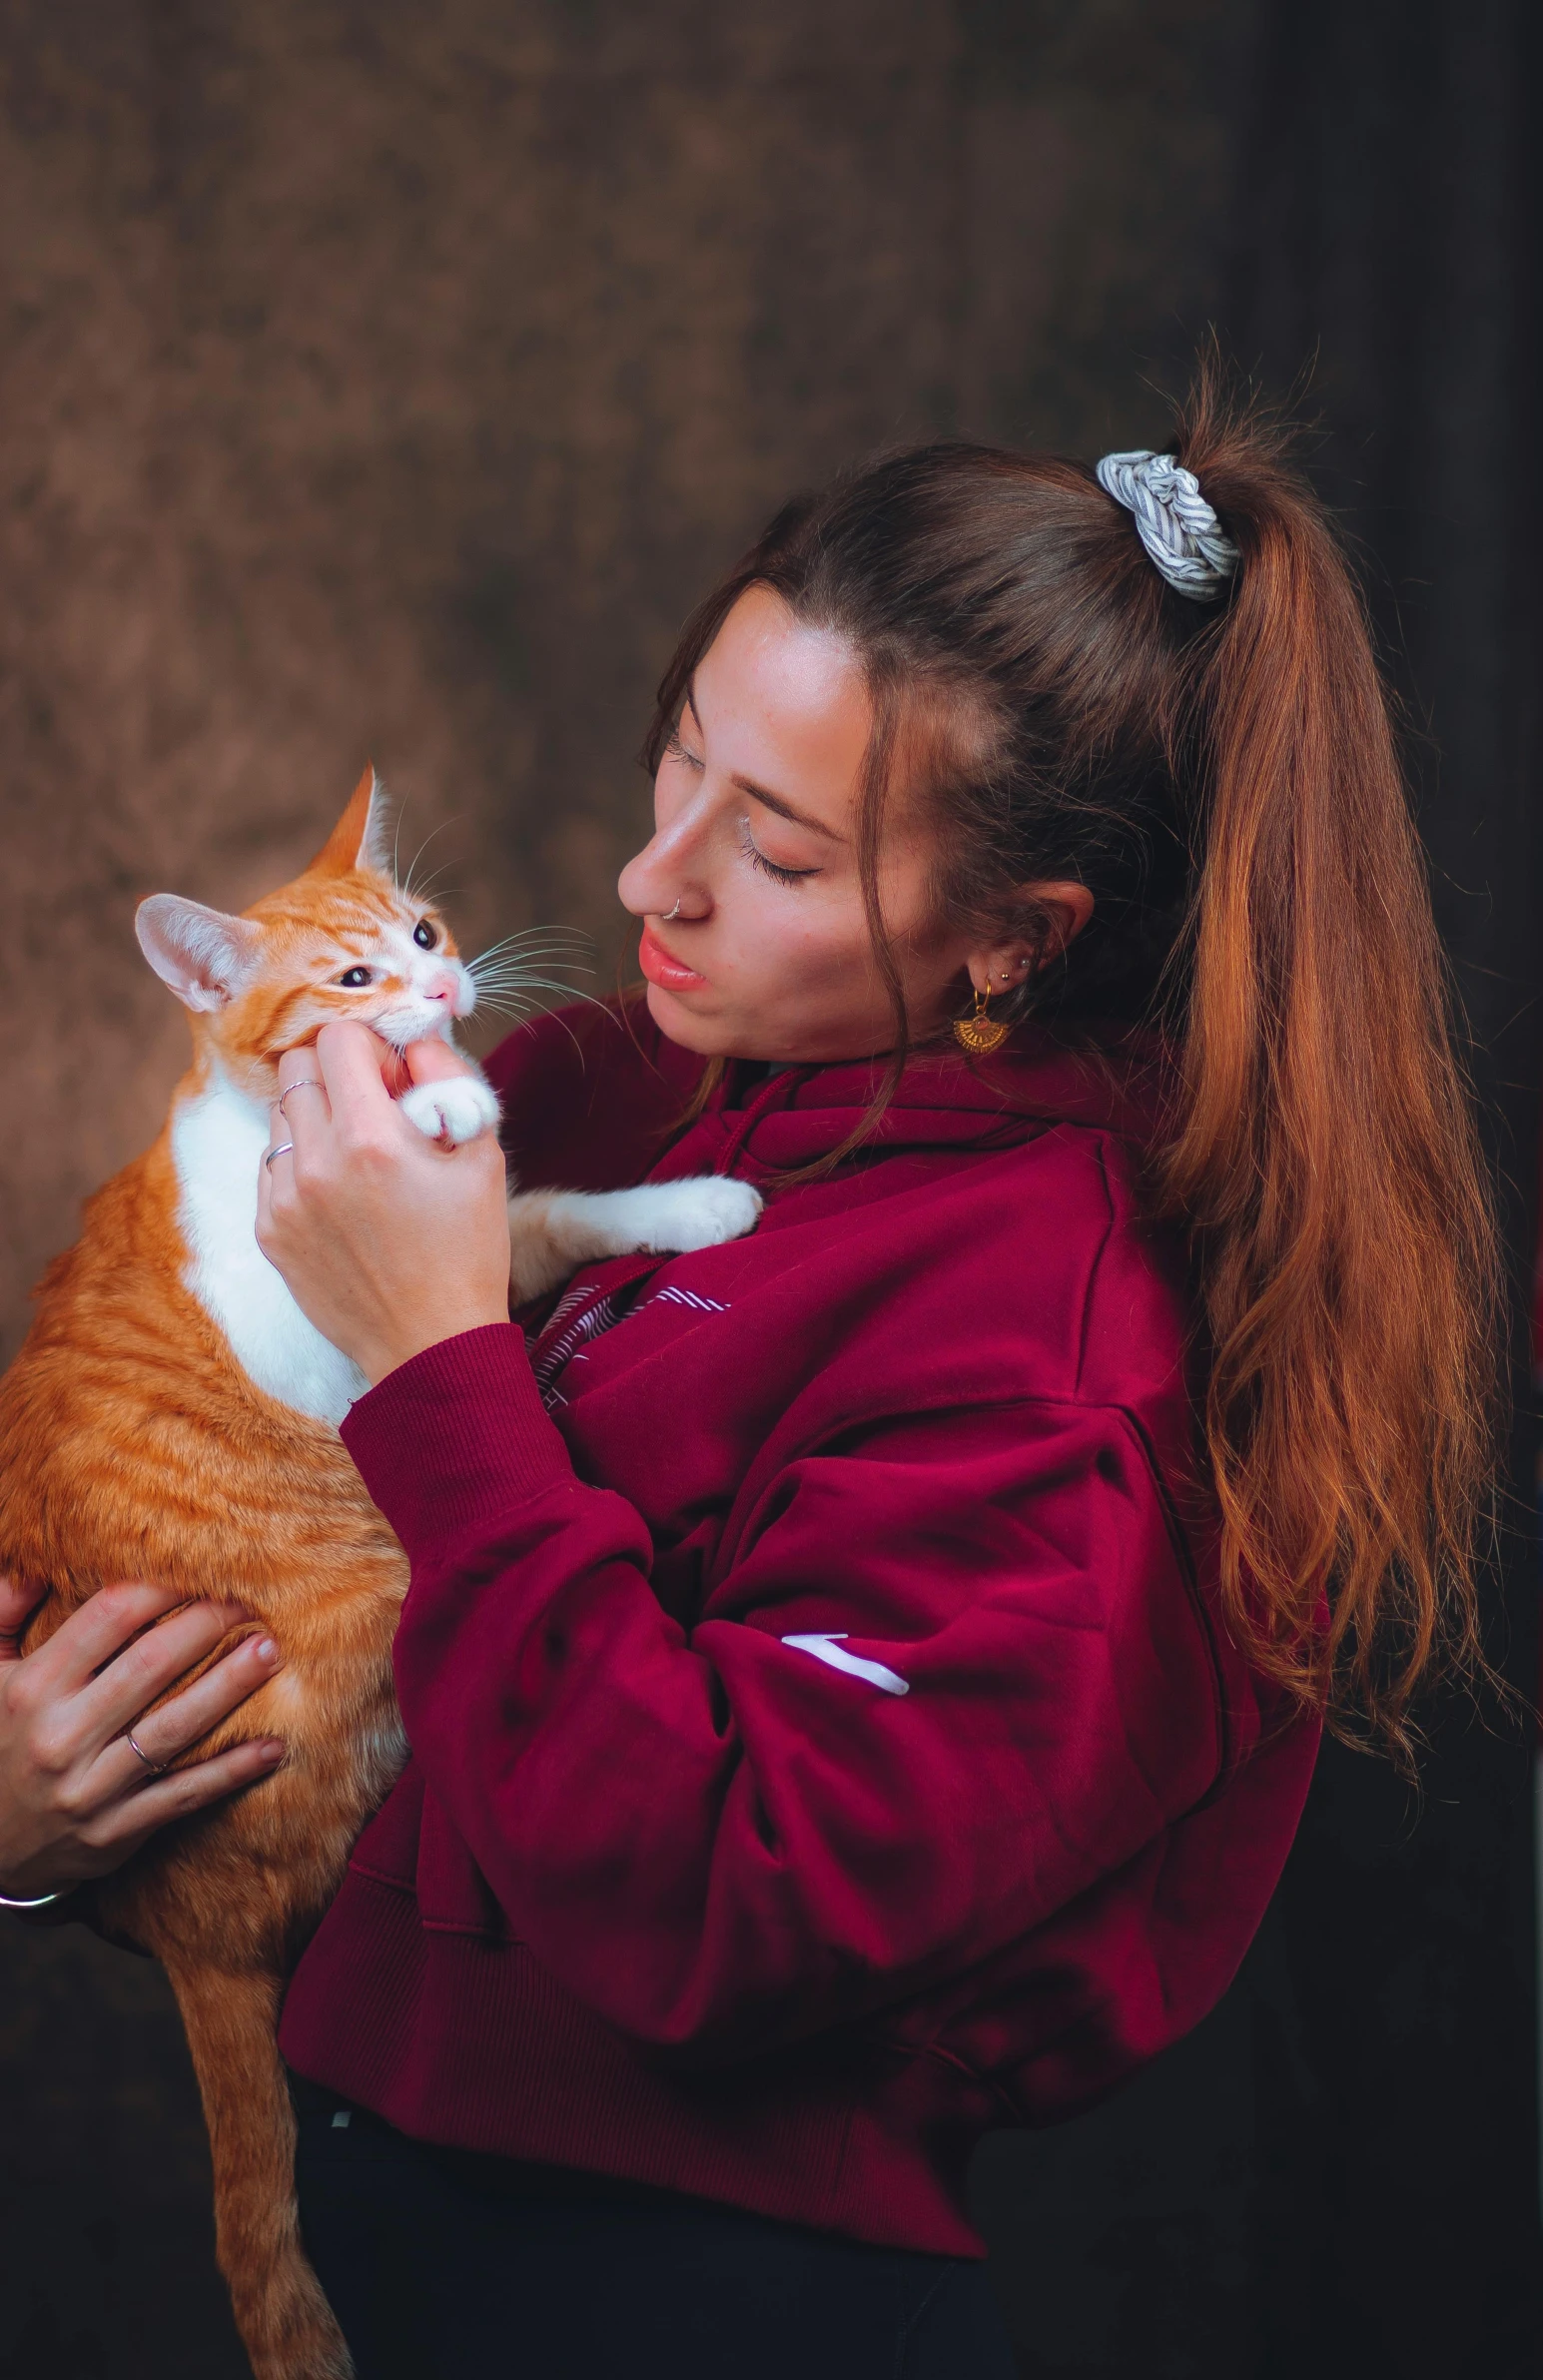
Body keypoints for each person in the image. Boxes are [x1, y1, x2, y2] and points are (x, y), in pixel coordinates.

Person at [0, 375, 1498, 2378]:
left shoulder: (1065, 1369)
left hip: (682, 2298)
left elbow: (721, 1910)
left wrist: (441, 1358)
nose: (649, 885)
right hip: (381, 2214)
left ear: (1009, 941)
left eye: (774, 852)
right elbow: (151, 1438)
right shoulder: (627, 1085)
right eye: (676, 767)